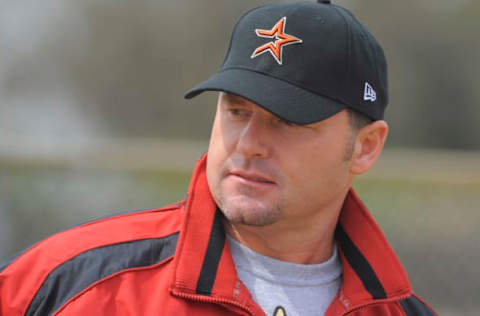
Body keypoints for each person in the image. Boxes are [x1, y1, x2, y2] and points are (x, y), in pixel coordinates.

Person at [0, 1, 437, 315]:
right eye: (236, 111)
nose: (248, 143)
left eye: (288, 121)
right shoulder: (69, 284)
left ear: (365, 147)